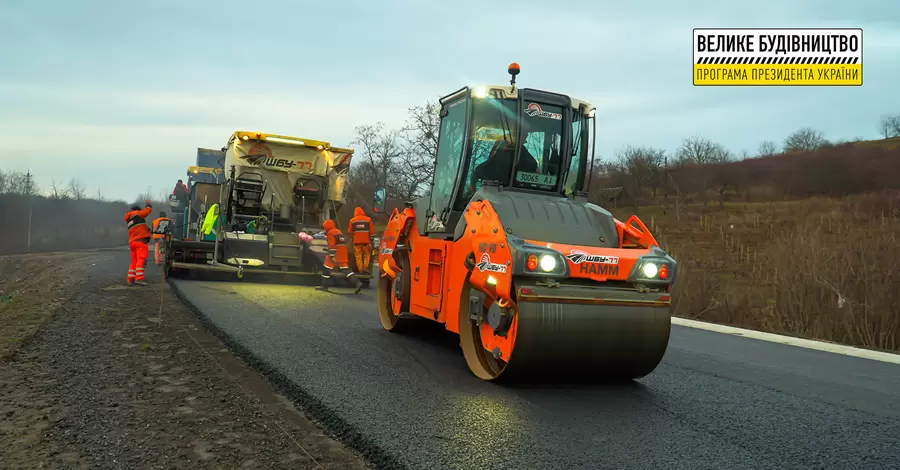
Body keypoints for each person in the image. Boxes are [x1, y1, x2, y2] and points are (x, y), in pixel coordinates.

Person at [318, 219, 362, 293]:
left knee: (326, 268)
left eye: (324, 227)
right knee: (345, 269)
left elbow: (332, 245)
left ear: (327, 227)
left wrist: (332, 256)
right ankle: (357, 283)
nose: (324, 229)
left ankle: (324, 286)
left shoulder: (330, 233)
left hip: (336, 253)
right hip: (343, 252)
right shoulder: (338, 231)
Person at [124, 200, 153, 285]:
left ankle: (131, 279)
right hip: (140, 241)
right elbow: (146, 212)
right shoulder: (137, 213)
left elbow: (138, 228)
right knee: (142, 259)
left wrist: (146, 230)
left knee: (134, 261)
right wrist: (149, 205)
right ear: (138, 210)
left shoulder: (129, 219)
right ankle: (139, 279)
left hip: (132, 242)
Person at [347, 207, 375, 274]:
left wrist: (351, 237)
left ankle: (360, 270)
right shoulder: (368, 220)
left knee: (358, 256)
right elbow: (372, 232)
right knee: (367, 255)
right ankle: (365, 269)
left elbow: (350, 232)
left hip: (356, 242)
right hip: (366, 241)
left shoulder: (352, 220)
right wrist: (372, 240)